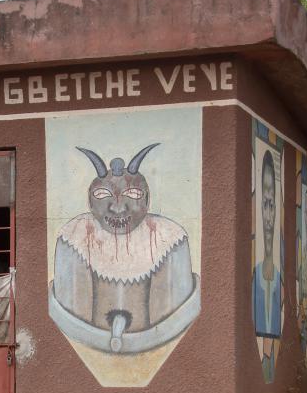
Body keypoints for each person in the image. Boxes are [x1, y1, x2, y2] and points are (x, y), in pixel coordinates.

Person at [49, 143, 200, 354]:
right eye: (103, 195)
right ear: (90, 203)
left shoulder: (169, 240)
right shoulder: (74, 238)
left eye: (133, 195)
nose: (118, 207)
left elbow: (175, 319)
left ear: (147, 200)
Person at [252, 150, 282, 338]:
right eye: (265, 205)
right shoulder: (254, 278)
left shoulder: (279, 280)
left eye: (272, 205)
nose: (269, 218)